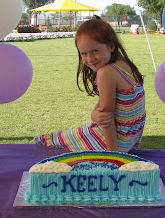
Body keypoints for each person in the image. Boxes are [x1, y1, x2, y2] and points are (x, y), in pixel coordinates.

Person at [34, 16, 146, 153]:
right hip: (130, 140)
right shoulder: (124, 64)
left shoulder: (106, 72)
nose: (90, 59)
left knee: (55, 140)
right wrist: (94, 114)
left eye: (95, 51)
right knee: (75, 133)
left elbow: (106, 119)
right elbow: (109, 106)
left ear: (111, 46)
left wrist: (113, 157)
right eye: (84, 54)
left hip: (113, 144)